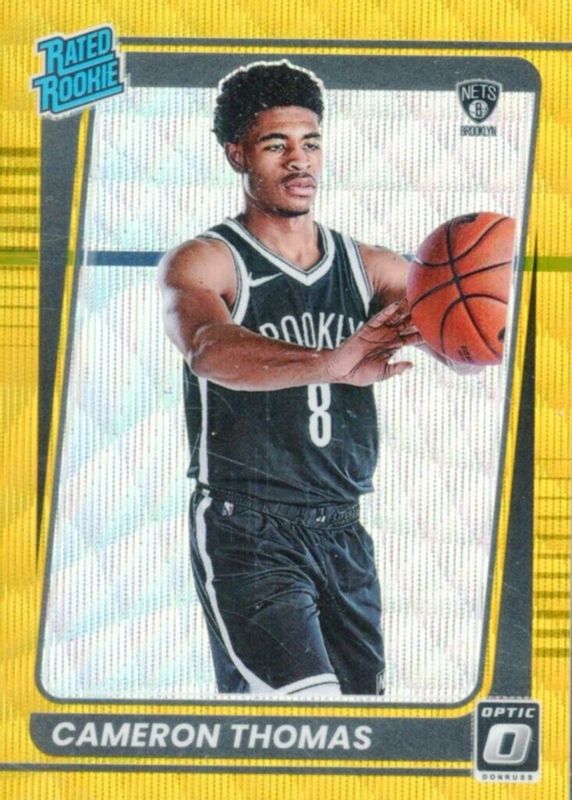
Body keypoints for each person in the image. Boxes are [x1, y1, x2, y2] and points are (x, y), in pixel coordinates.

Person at [158, 60, 429, 698]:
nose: (299, 160)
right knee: (303, 716)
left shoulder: (369, 266)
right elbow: (207, 348)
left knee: (361, 728)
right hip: (247, 528)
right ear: (237, 155)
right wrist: (331, 362)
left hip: (344, 530)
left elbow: (469, 331)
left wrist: (470, 316)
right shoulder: (208, 260)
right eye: (276, 145)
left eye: (310, 143)